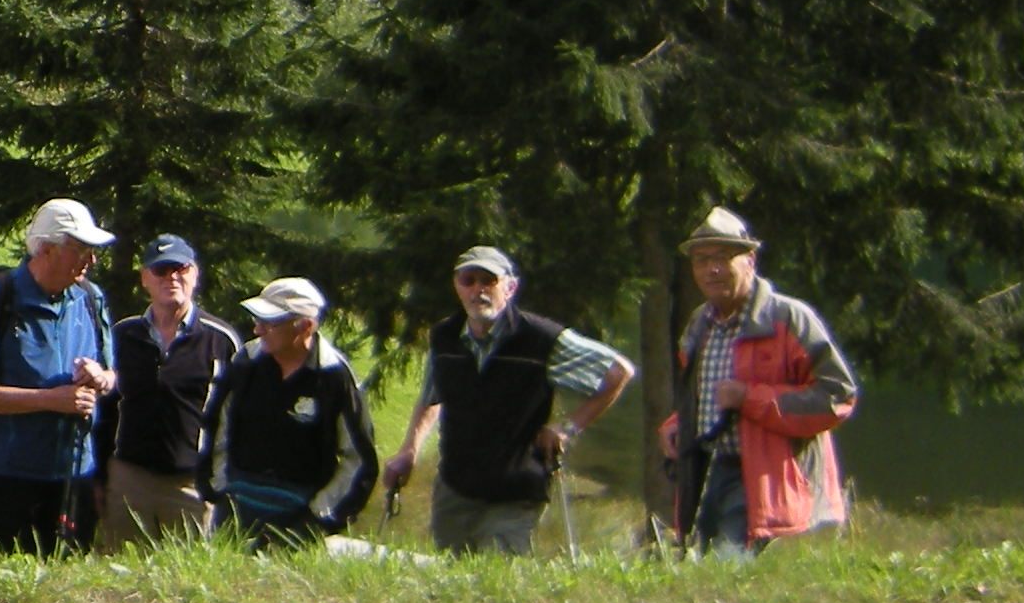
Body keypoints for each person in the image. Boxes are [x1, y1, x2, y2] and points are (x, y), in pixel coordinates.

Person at [381, 245, 634, 554]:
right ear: (457, 287)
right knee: (451, 585)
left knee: (498, 573)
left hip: (515, 491)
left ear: (510, 287)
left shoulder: (541, 339)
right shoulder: (444, 337)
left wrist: (568, 427)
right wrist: (409, 450)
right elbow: (432, 397)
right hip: (455, 489)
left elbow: (618, 371)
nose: (478, 290)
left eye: (489, 281)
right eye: (468, 280)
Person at [670, 206, 858, 554]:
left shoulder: (788, 319)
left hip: (771, 477)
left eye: (723, 257)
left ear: (750, 260)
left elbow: (838, 397)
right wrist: (678, 425)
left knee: (729, 574)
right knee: (699, 569)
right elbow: (697, 398)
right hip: (712, 469)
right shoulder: (699, 324)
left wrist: (749, 398)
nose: (711, 269)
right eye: (701, 260)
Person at [0, 199, 117, 554]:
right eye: (80, 250)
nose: (90, 261)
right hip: (9, 474)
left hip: (75, 473)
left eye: (92, 251)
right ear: (46, 250)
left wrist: (101, 378)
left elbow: (112, 375)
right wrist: (51, 400)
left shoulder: (91, 298)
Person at [202, 277, 378, 545]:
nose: (257, 329)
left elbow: (359, 460)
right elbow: (217, 428)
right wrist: (222, 490)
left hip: (299, 520)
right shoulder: (246, 363)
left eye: (269, 322)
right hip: (235, 512)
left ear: (305, 326)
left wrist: (318, 517)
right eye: (257, 319)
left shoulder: (335, 378)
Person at [95, 234, 238, 548]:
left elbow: (237, 418)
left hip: (192, 485)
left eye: (180, 268)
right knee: (120, 576)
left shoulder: (222, 340)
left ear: (195, 274)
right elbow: (104, 412)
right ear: (145, 278)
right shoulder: (122, 334)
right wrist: (101, 478)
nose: (171, 277)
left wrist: (221, 484)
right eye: (160, 270)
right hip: (129, 480)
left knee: (186, 582)